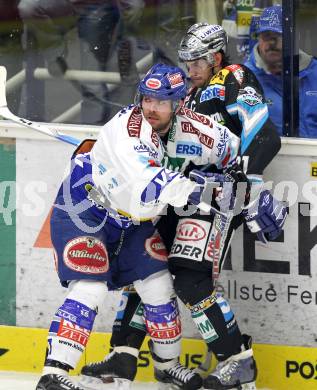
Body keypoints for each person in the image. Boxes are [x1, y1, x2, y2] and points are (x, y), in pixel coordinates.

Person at [79, 23, 286, 390]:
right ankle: (124, 354)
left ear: (216, 57)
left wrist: (247, 179)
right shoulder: (185, 95)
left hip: (215, 200)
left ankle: (239, 363)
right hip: (176, 197)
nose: (189, 68)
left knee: (190, 278)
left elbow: (264, 133)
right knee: (144, 268)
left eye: (196, 61)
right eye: (186, 61)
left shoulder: (232, 77)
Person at [35, 63, 247, 390]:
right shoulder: (128, 130)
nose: (151, 107)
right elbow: (154, 185)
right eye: (147, 98)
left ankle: (166, 367)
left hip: (133, 220)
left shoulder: (195, 127)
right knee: (90, 287)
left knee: (159, 283)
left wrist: (240, 181)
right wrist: (211, 191)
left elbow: (230, 150)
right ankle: (54, 374)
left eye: (161, 102)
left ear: (179, 104)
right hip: (86, 208)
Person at [17, 0, 121, 124]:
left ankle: (93, 135)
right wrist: (54, 51)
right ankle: (55, 52)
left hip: (97, 5)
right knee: (28, 7)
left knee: (93, 82)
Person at [245, 4, 317, 138]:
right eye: (267, 36)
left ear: (294, 38)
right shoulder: (243, 79)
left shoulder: (314, 73)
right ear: (258, 38)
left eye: (279, 36)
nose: (272, 43)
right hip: (272, 158)